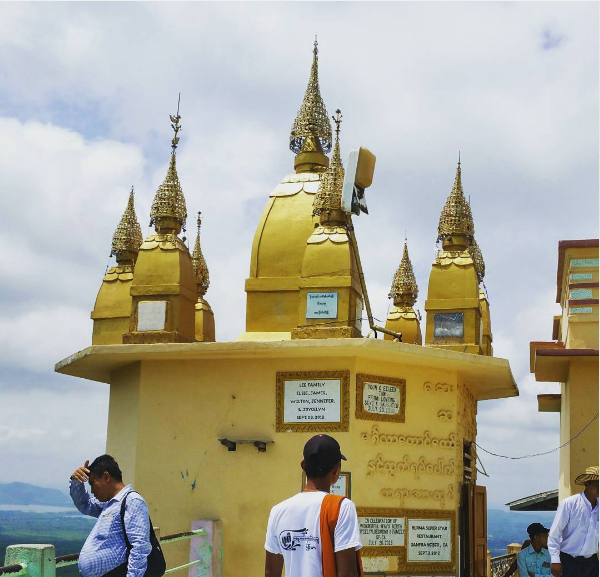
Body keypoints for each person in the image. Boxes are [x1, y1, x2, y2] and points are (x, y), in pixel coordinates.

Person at [264, 434, 363, 577]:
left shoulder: (278, 511)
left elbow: (270, 572)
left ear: (303, 465)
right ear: (336, 469)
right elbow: (347, 573)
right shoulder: (342, 507)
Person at [70, 455, 152, 577]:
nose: (92, 490)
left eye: (92, 483)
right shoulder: (109, 504)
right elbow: (84, 504)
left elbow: (139, 548)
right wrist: (76, 481)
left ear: (106, 477)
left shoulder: (132, 501)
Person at [548, 465, 599, 577]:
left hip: (591, 563)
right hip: (569, 561)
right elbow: (554, 534)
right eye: (598, 484)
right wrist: (555, 560)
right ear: (587, 484)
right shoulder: (569, 504)